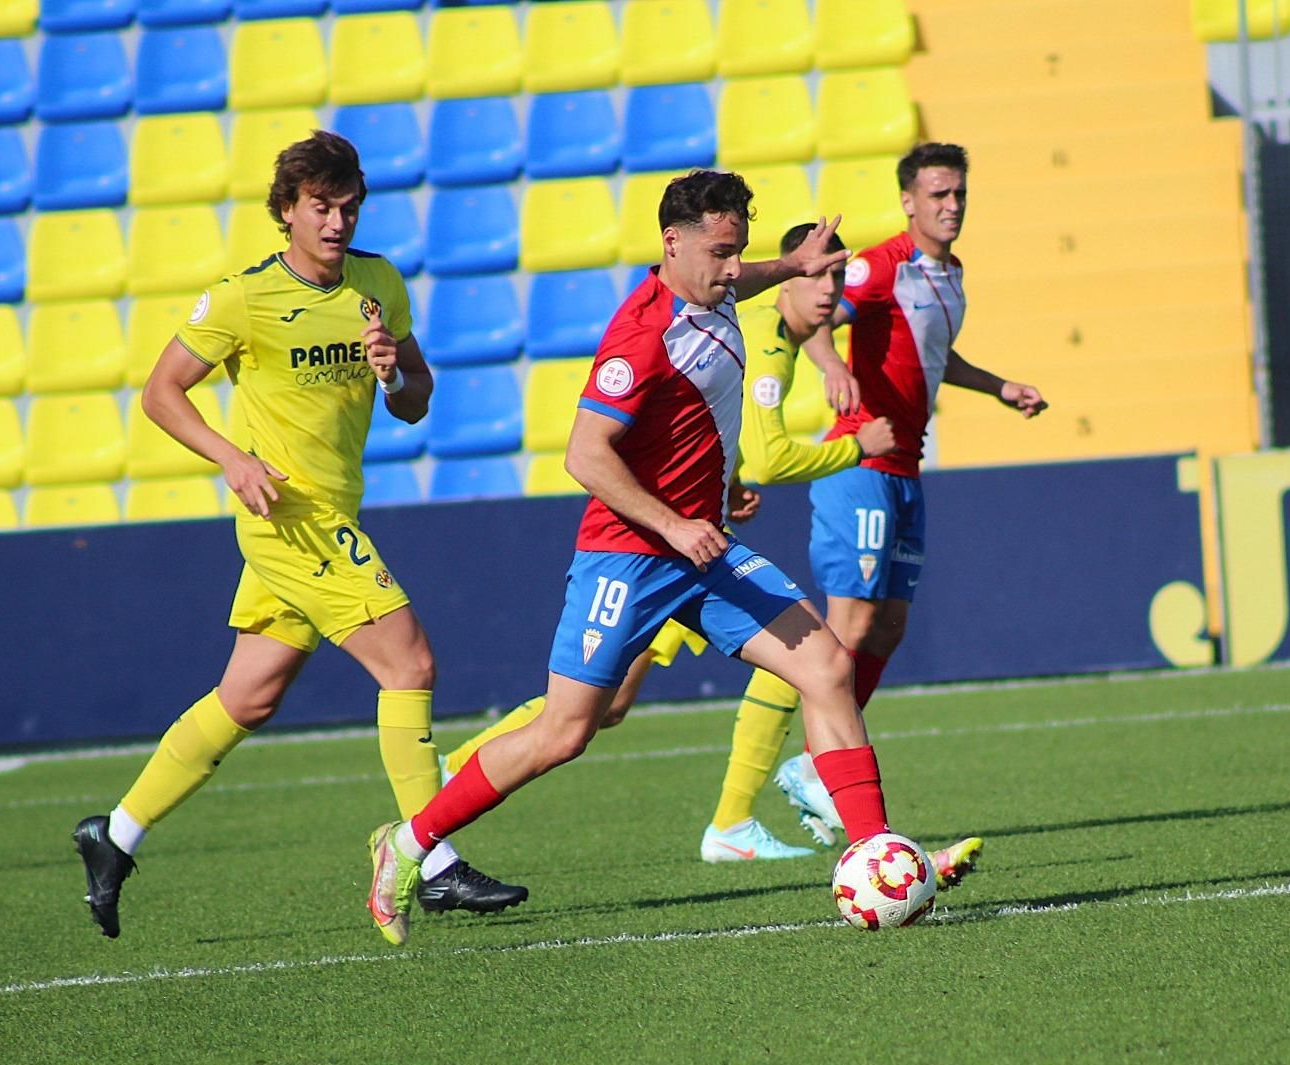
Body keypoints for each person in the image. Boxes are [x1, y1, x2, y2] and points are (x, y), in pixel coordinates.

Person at [368, 169, 904, 947]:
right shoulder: (640, 336)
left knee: (824, 666)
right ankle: (408, 844)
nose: (731, 267)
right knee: (566, 731)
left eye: (739, 252)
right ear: (672, 242)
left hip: (704, 548)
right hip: (629, 556)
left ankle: (876, 854)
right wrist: (675, 524)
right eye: (720, 253)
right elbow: (585, 455)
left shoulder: (713, 290)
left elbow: (737, 285)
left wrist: (791, 267)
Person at [71, 131, 525, 939]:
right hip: (289, 513)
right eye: (321, 207)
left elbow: (417, 399)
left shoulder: (377, 283)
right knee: (410, 662)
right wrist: (233, 459)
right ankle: (433, 859)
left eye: (349, 207)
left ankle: (116, 834)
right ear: (287, 211)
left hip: (335, 510)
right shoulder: (245, 298)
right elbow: (161, 392)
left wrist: (394, 373)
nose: (337, 222)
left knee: (250, 694)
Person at [441, 224, 980, 882]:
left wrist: (727, 482)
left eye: (837, 280)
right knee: (589, 714)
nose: (828, 293)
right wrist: (853, 447)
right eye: (817, 279)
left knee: (815, 663)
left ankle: (836, 839)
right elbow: (772, 451)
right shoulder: (756, 345)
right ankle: (451, 779)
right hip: (651, 548)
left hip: (703, 543)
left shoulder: (765, 324)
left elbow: (725, 426)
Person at [772, 142, 1048, 844]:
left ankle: (817, 764)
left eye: (958, 194)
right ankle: (820, 768)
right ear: (908, 200)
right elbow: (811, 317)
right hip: (859, 466)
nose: (950, 205)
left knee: (888, 626)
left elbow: (935, 355)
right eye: (936, 194)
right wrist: (833, 367)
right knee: (849, 629)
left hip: (906, 470)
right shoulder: (880, 264)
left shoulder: (950, 274)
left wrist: (999, 387)